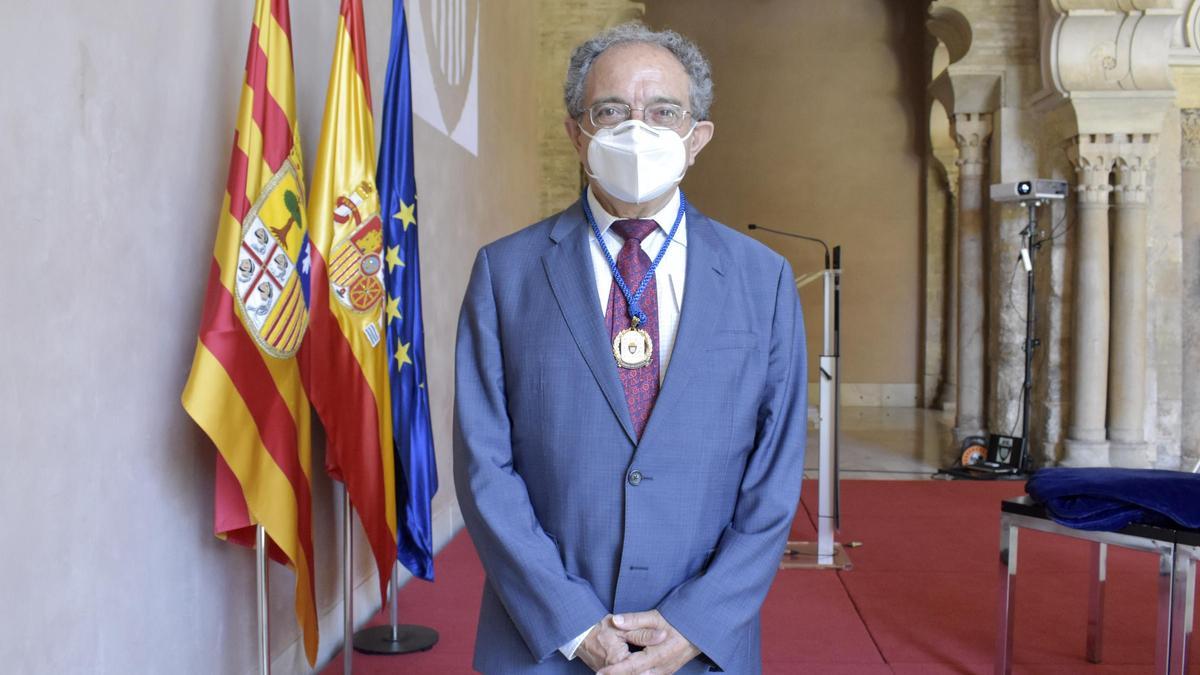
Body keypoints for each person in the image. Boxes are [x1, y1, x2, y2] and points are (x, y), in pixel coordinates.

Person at [454, 22, 807, 674]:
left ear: (696, 137)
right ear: (576, 133)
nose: (635, 129)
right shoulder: (505, 275)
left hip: (703, 648)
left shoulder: (765, 280)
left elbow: (774, 481)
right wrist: (575, 623)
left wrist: (697, 622)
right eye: (610, 110)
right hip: (542, 643)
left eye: (662, 112)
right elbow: (484, 469)